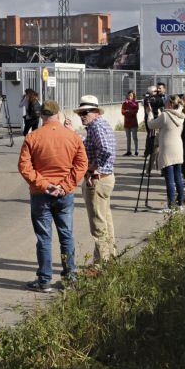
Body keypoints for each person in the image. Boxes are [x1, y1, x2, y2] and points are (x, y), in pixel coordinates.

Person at [18, 100, 87, 292]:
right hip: (65, 195)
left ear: (41, 116)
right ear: (59, 115)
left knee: (44, 238)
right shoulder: (72, 137)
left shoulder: (33, 137)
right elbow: (82, 165)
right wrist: (65, 186)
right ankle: (70, 278)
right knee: (66, 236)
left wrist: (45, 185)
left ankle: (44, 280)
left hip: (41, 194)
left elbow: (24, 167)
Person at [70, 95, 117, 267]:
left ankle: (101, 264)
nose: (82, 116)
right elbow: (92, 145)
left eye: (86, 112)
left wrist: (92, 168)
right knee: (105, 220)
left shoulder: (96, 127)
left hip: (98, 179)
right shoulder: (98, 126)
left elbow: (106, 150)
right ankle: (109, 258)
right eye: (81, 113)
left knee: (98, 224)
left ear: (96, 112)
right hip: (105, 178)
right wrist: (73, 134)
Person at [146, 94, 185, 211]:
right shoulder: (181, 115)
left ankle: (171, 205)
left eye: (166, 101)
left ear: (169, 103)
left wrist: (149, 113)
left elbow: (151, 124)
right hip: (178, 147)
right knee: (178, 177)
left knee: (169, 179)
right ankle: (180, 205)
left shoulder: (165, 115)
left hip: (168, 149)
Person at [121, 90, 140, 156]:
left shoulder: (136, 103)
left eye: (131, 96)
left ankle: (136, 151)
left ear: (133, 96)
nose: (129, 97)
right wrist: (128, 111)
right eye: (129, 95)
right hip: (127, 123)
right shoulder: (124, 103)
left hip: (133, 123)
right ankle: (128, 151)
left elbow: (135, 112)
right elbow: (123, 112)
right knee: (128, 138)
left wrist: (128, 111)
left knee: (134, 137)